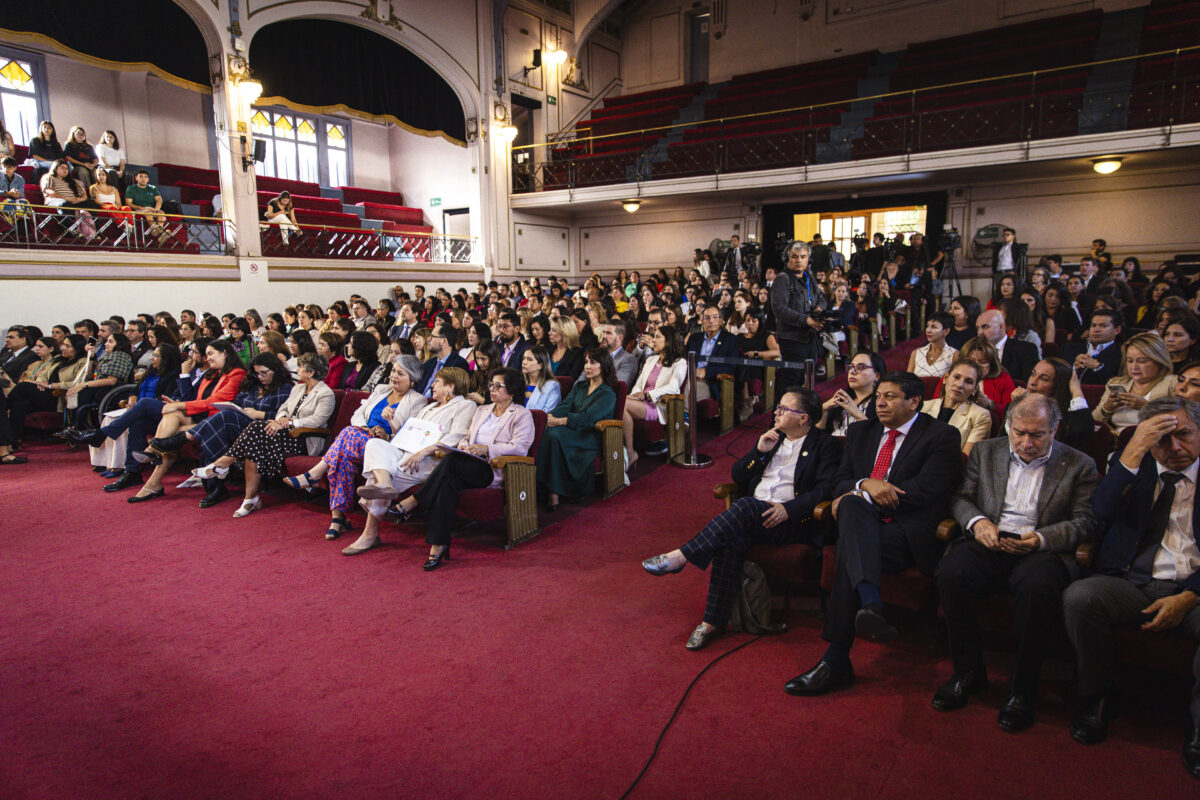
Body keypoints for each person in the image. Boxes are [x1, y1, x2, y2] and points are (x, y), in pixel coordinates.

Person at [785, 372, 961, 697]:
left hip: (905, 533)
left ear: (914, 401)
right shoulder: (861, 431)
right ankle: (870, 605)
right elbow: (840, 480)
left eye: (891, 397)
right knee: (853, 510)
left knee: (849, 540)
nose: (880, 402)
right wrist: (866, 484)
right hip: (864, 526)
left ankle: (836, 659)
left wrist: (867, 493)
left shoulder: (942, 436)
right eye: (879, 395)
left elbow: (925, 492)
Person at [934, 393, 1099, 731]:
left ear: (1054, 429)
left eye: (1037, 434)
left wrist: (1041, 539)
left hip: (1041, 547)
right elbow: (961, 497)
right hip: (990, 538)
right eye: (1019, 432)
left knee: (1036, 589)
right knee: (951, 573)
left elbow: (1086, 521)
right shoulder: (986, 451)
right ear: (1008, 426)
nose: (1026, 442)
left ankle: (1022, 690)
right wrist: (977, 523)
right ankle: (968, 672)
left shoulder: (1080, 463)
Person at [1063, 398, 1200, 777]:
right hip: (1133, 580)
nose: (1174, 449)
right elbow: (1101, 513)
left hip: (1193, 589)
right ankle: (1098, 697)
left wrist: (1188, 597)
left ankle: (1198, 730)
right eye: (1161, 439)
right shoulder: (1135, 467)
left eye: (1184, 435)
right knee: (1081, 597)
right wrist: (1136, 449)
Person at [641, 388, 839, 649]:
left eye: (783, 409)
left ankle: (682, 556)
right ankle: (712, 622)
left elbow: (825, 490)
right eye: (778, 407)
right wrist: (758, 451)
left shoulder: (825, 445)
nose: (776, 412)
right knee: (731, 541)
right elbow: (738, 476)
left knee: (744, 507)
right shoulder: (773, 438)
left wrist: (788, 509)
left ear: (803, 418)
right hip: (755, 515)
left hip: (790, 521)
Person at [369, 368, 534, 570]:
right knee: (447, 482)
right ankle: (438, 545)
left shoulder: (521, 414)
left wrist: (486, 449)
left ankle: (414, 501)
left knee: (451, 461)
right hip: (468, 462)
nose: (491, 389)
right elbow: (466, 437)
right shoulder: (482, 410)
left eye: (497, 386)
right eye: (491, 384)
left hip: (492, 468)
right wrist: (466, 445)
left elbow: (520, 447)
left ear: (512, 391)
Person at [281, 355, 427, 538]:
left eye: (400, 373)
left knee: (348, 435)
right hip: (359, 437)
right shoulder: (381, 389)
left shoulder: (417, 401)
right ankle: (337, 518)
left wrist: (387, 432)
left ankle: (315, 474)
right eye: (393, 371)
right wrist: (365, 428)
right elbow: (358, 414)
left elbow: (407, 435)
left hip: (384, 447)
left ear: (412, 380)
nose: (394, 376)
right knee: (343, 459)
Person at [344, 368, 476, 555]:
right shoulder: (429, 407)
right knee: (374, 444)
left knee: (385, 472)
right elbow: (405, 433)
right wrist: (391, 420)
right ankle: (384, 484)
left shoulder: (465, 406)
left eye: (437, 381)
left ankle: (370, 533)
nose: (432, 385)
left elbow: (457, 436)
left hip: (430, 460)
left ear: (450, 386)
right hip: (406, 452)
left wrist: (424, 451)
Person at [194, 352, 335, 518]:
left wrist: (288, 422)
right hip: (285, 433)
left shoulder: (326, 393)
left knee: (256, 430)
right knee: (255, 442)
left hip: (304, 439)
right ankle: (248, 496)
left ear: (310, 372)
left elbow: (317, 420)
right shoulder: (298, 388)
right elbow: (283, 407)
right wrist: (281, 418)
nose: (297, 370)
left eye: (301, 368)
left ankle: (224, 467)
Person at [124, 340, 247, 502]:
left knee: (163, 418)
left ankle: (152, 467)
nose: (207, 358)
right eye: (206, 354)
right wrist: (182, 381)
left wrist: (179, 404)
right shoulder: (211, 374)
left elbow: (213, 402)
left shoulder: (237, 374)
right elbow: (194, 399)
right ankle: (152, 465)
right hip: (200, 416)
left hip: (217, 421)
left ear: (225, 352)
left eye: (210, 354)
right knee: (171, 415)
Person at [537, 348, 618, 510]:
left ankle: (554, 493)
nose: (587, 366)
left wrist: (560, 421)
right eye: (586, 362)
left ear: (604, 366)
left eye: (592, 362)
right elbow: (565, 406)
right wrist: (550, 418)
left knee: (555, 436)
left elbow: (589, 418)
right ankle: (541, 487)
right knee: (547, 432)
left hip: (588, 436)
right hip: (570, 431)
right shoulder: (580, 386)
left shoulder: (608, 393)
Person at [622, 325, 687, 469]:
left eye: (657, 337)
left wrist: (648, 395)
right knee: (621, 403)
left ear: (668, 341)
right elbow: (639, 384)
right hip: (641, 402)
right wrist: (635, 395)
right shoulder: (651, 360)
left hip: (658, 405)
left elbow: (673, 387)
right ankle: (623, 450)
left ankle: (630, 452)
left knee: (622, 404)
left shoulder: (680, 362)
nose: (653, 340)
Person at [1093, 332, 1177, 435]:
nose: (1134, 367)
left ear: (1159, 361)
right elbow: (1093, 423)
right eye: (1130, 361)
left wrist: (1147, 407)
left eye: (1142, 361)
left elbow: (1180, 421)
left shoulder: (1172, 383)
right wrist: (1107, 408)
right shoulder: (1117, 383)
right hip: (1115, 442)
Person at [771, 241, 827, 387]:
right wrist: (806, 320)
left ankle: (803, 409)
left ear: (809, 259)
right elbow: (779, 309)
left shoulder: (809, 277)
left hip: (810, 337)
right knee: (791, 381)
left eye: (803, 256)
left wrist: (819, 310)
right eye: (795, 257)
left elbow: (821, 299)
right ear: (787, 258)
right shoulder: (782, 279)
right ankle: (782, 409)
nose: (799, 260)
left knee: (807, 379)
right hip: (792, 339)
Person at [1012, 358, 1094, 451]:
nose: (1033, 382)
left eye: (1044, 379)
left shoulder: (1067, 419)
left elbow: (1084, 429)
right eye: (1033, 374)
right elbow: (1002, 446)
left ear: (1058, 386)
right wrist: (1016, 407)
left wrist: (1076, 390)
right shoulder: (1017, 403)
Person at [920, 359, 990, 455]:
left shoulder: (980, 416)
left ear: (975, 389)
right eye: (956, 377)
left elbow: (965, 458)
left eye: (968, 381)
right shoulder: (923, 407)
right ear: (945, 378)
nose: (959, 385)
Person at [817, 351, 886, 437]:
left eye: (861, 367)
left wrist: (856, 413)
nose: (852, 372)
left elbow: (881, 436)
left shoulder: (882, 403)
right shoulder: (841, 399)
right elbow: (819, 437)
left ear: (877, 376)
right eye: (851, 367)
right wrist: (823, 411)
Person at [685, 306, 741, 403]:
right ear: (702, 321)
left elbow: (731, 367)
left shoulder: (730, 340)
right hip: (689, 377)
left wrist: (706, 371)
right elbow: (685, 359)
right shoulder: (694, 338)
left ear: (721, 320)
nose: (711, 321)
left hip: (711, 381)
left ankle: (685, 417)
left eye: (715, 317)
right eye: (707, 318)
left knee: (691, 389)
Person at [1060, 308, 1125, 384]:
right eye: (1093, 325)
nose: (1096, 330)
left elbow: (1119, 385)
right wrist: (1074, 369)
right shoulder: (1068, 349)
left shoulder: (1121, 355)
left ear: (1117, 330)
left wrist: (1098, 367)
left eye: (1103, 326)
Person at [976, 308, 1038, 382]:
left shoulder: (1025, 349)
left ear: (1001, 327)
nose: (980, 332)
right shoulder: (974, 349)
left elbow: (1027, 382)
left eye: (985, 327)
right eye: (977, 328)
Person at [40, 160, 97, 239]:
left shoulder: (75, 181)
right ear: (55, 169)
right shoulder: (49, 177)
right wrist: (66, 198)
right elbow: (48, 191)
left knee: (90, 204)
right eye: (62, 168)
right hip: (55, 199)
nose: (65, 170)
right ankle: (71, 231)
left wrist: (77, 200)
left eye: (67, 168)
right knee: (65, 204)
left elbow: (84, 196)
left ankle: (94, 232)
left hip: (74, 200)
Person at [960, 337, 1015, 416]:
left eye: (982, 362)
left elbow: (1010, 412)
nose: (976, 365)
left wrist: (990, 404)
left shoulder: (1003, 379)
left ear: (992, 364)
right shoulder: (953, 376)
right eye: (971, 361)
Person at [416, 326, 470, 397]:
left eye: (432, 336)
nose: (428, 339)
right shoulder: (429, 363)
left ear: (444, 341)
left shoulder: (459, 365)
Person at [907, 311, 957, 378]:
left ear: (946, 331)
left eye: (934, 327)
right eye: (927, 326)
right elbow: (908, 380)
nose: (928, 330)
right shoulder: (916, 353)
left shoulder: (954, 355)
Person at [125, 169, 170, 243]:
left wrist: (156, 209)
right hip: (138, 209)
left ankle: (157, 231)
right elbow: (128, 203)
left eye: (145, 177)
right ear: (136, 178)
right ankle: (160, 232)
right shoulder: (131, 188)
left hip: (152, 209)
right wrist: (141, 208)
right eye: (141, 177)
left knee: (160, 212)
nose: (143, 179)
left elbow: (159, 200)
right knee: (147, 212)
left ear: (148, 179)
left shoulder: (152, 188)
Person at [521, 346, 561, 412]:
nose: (524, 362)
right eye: (524, 358)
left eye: (529, 359)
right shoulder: (519, 383)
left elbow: (546, 415)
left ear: (540, 365)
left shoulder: (552, 386)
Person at [0, 157, 31, 223]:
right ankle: (16, 222)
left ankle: (23, 221)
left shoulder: (20, 179)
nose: (6, 169)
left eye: (9, 167)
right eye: (4, 167)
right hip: (1, 199)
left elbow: (21, 195)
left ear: (15, 168)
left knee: (24, 202)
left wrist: (16, 194)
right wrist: (7, 193)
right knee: (10, 203)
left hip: (14, 199)